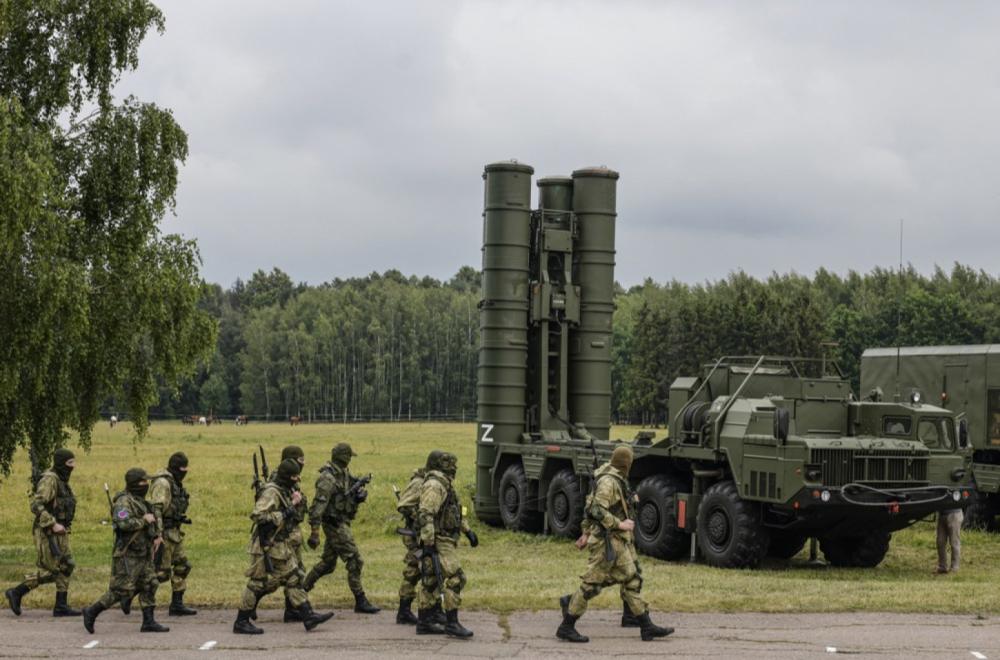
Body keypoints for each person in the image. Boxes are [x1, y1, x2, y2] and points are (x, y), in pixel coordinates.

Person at [556, 445, 673, 643]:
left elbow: (597, 506)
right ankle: (566, 626)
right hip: (606, 541)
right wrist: (620, 523)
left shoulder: (616, 477)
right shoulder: (608, 482)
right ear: (626, 463)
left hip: (617, 540)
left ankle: (645, 625)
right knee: (591, 585)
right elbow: (594, 509)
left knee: (631, 579)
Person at [233, 458, 333, 635]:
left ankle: (308, 615)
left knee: (293, 578)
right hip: (266, 545)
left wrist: (296, 503)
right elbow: (258, 516)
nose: (296, 480)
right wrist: (286, 511)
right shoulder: (272, 492)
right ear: (286, 476)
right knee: (256, 583)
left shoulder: (285, 490)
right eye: (293, 476)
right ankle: (241, 621)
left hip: (279, 546)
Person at [82, 468, 169, 634]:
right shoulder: (123, 502)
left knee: (150, 584)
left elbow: (152, 521)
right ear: (135, 483)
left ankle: (148, 622)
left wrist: (157, 536)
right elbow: (122, 523)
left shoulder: (141, 501)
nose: (146, 485)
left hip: (143, 553)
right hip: (128, 555)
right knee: (120, 590)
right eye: (143, 482)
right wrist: (143, 521)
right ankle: (92, 612)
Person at [303, 443, 380, 614]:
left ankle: (299, 593)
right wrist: (315, 532)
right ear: (344, 458)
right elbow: (317, 507)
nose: (351, 460)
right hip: (334, 524)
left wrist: (360, 495)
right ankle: (360, 600)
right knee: (355, 560)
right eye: (349, 457)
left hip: (341, 521)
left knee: (328, 564)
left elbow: (349, 488)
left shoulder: (343, 473)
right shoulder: (328, 478)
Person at [5, 448, 81, 618]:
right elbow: (36, 505)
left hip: (61, 531)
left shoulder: (61, 480)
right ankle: (17, 592)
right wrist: (52, 524)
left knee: (67, 564)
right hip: (47, 531)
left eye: (73, 462)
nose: (73, 467)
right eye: (70, 463)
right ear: (61, 463)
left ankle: (61, 605)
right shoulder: (49, 480)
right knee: (51, 571)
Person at [414, 451, 478, 638]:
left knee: (431, 580)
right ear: (444, 466)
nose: (455, 468)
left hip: (442, 538)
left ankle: (424, 621)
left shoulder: (443, 484)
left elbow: (452, 512)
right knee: (457, 578)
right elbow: (425, 514)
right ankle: (451, 623)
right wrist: (428, 543)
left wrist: (468, 531)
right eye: (452, 464)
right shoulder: (435, 485)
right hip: (439, 540)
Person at [394, 450, 446, 626]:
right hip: (415, 535)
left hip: (421, 534)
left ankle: (408, 610)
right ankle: (424, 610)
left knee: (414, 570)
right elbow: (402, 505)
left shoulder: (432, 480)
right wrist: (420, 517)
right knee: (426, 568)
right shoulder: (419, 482)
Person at [150, 451, 197, 616]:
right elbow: (156, 510)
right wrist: (158, 535)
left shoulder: (175, 481)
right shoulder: (163, 483)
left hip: (175, 533)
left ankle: (177, 604)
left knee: (183, 566)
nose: (185, 472)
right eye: (183, 468)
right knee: (161, 574)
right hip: (165, 534)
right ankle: (129, 595)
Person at [935, 507, 963, 574]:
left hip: (954, 513)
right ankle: (942, 567)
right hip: (942, 513)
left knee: (954, 541)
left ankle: (954, 568)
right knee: (940, 541)